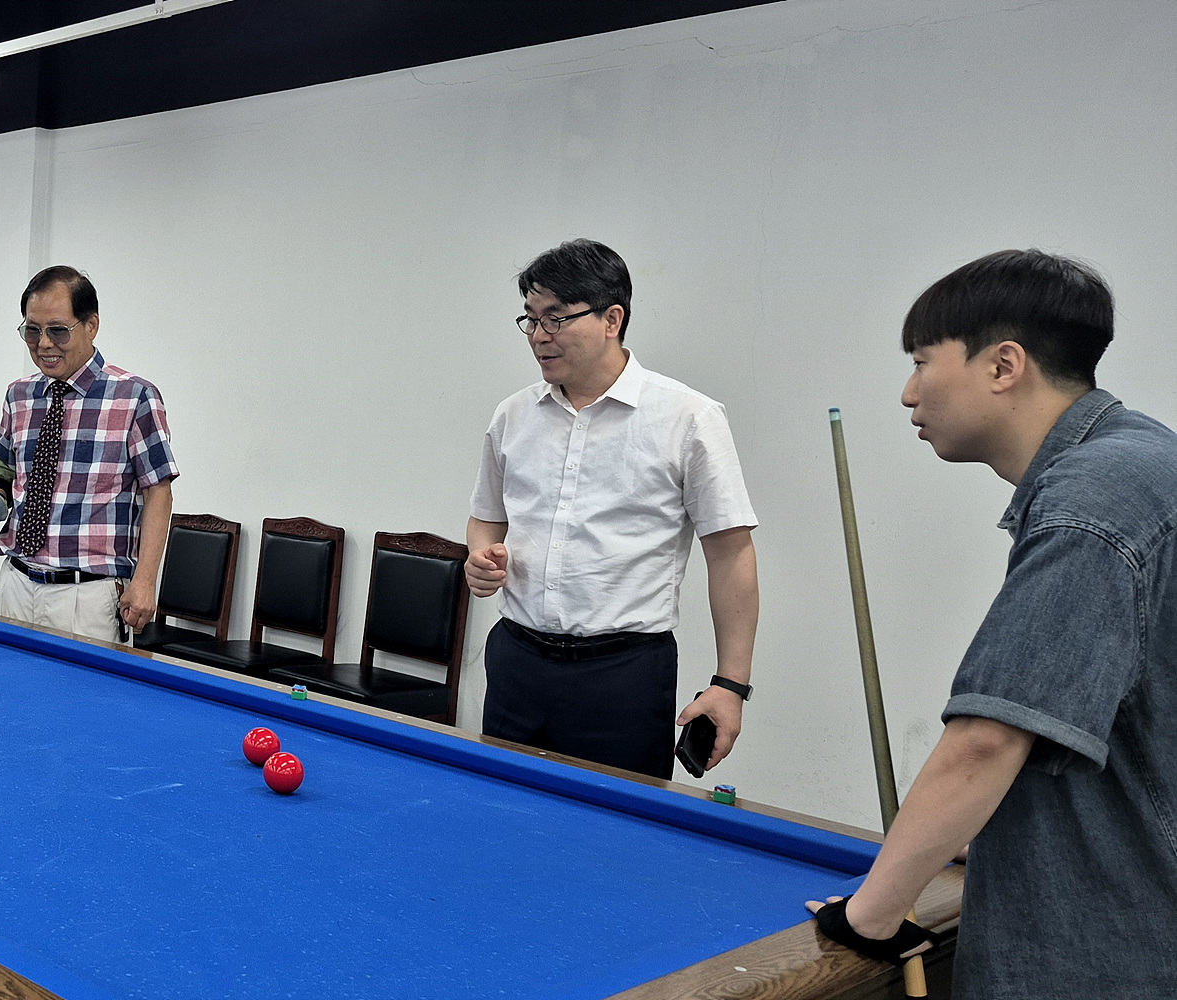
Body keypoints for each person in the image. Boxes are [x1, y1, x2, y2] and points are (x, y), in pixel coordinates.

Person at [807, 250, 1177, 996]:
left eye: (921, 361)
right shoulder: (1146, 458)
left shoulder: (1093, 500)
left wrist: (869, 916)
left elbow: (989, 737)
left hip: (1107, 955)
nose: (908, 392)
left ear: (1004, 365)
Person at [464, 239, 760, 779]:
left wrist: (730, 684)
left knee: (617, 827)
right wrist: (481, 556)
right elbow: (487, 515)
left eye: (556, 318)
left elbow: (731, 553)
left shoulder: (688, 418)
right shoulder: (512, 416)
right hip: (516, 661)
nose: (539, 336)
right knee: (503, 810)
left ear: (611, 319)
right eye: (530, 319)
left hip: (623, 675)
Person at [0, 266, 179, 642]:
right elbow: (2, 466)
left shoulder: (134, 397)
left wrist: (145, 581)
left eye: (58, 331)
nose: (44, 343)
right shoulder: (19, 395)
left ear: (91, 325)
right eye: (32, 330)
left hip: (88, 597)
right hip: (16, 583)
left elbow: (158, 493)